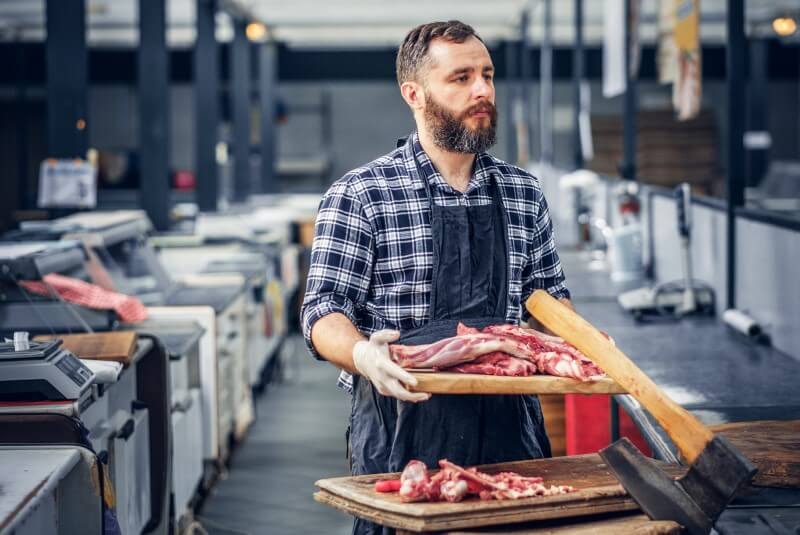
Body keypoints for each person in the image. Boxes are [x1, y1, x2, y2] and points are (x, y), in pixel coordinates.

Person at [301, 20, 572, 535]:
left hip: (510, 434)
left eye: (488, 75)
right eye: (461, 78)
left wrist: (574, 349)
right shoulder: (361, 194)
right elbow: (322, 310)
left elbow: (550, 301)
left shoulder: (522, 193)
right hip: (402, 433)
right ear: (415, 94)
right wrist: (362, 354)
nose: (482, 91)